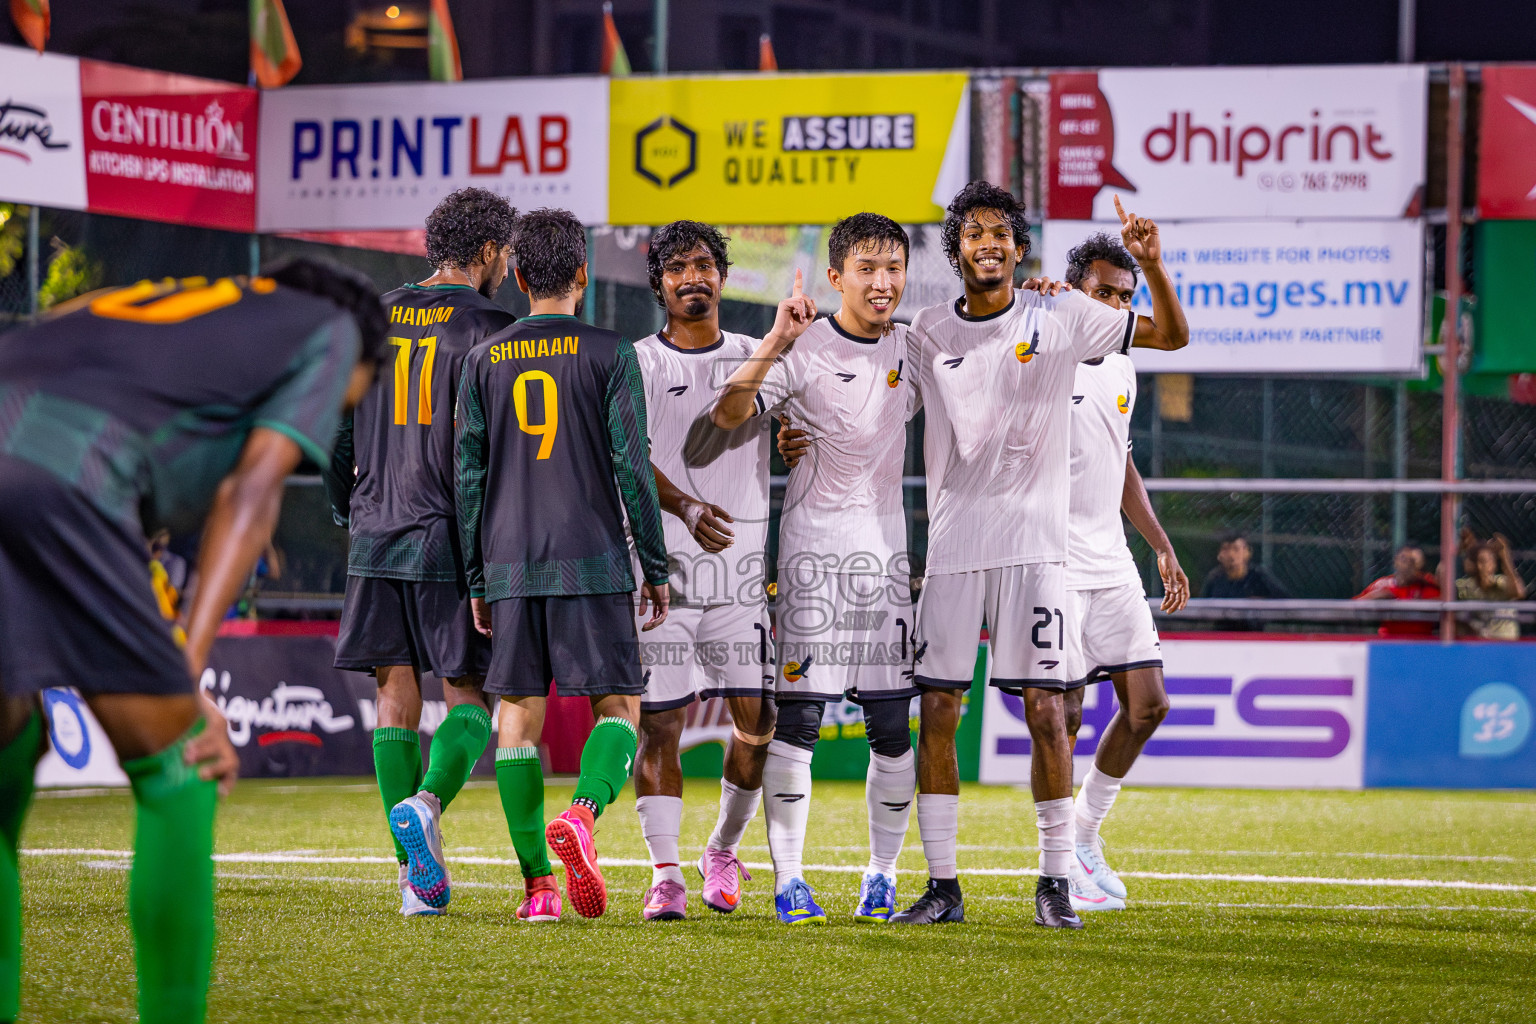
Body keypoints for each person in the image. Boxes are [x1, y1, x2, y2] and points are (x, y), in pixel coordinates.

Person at [0, 259, 384, 1024]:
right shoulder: (334, 326)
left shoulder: (151, 300)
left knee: (6, 759)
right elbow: (252, 488)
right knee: (182, 765)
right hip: (66, 473)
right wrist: (189, 666)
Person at [896, 183, 1187, 930]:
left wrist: (1153, 265)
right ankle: (942, 887)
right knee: (937, 709)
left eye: (1001, 232)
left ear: (1019, 248)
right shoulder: (926, 330)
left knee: (1048, 714)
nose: (987, 242)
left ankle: (1057, 882)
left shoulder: (1060, 315)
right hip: (956, 547)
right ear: (956, 249)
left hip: (1038, 551)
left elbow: (1169, 336)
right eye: (972, 232)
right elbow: (878, 403)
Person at [456, 208, 670, 922]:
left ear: (518, 277)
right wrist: (657, 565)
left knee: (515, 722)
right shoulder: (612, 353)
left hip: (511, 564)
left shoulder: (481, 360)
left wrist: (476, 577)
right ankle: (581, 813)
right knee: (619, 707)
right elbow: (631, 468)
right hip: (592, 559)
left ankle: (538, 891)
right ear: (581, 274)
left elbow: (470, 479)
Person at [710, 213, 918, 926]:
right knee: (800, 720)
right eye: (867, 267)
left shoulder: (915, 350)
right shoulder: (803, 347)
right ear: (836, 277)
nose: (882, 281)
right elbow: (730, 411)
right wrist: (775, 341)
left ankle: (882, 875)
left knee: (892, 726)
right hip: (810, 559)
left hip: (886, 561)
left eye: (893, 266)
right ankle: (790, 880)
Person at [324, 188, 518, 916]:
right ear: (492, 251)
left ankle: (413, 881)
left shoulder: (371, 313)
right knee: (471, 698)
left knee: (392, 695)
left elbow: (337, 431)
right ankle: (429, 806)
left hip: (375, 528)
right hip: (450, 535)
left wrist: (350, 505)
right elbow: (497, 453)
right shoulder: (495, 326)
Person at [630, 221, 778, 921]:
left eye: (704, 264)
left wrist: (796, 438)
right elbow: (624, 457)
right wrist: (686, 507)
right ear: (658, 282)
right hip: (658, 577)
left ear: (722, 275)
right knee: (660, 726)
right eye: (677, 267)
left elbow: (779, 427)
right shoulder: (638, 363)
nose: (693, 276)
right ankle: (665, 874)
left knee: (759, 720)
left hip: (738, 580)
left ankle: (721, 848)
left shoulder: (757, 354)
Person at [1055, 232, 1188, 913]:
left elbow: (1122, 459)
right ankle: (1057, 865)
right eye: (1101, 292)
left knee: (1150, 705)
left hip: (1110, 558)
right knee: (1067, 713)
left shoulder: (1123, 366)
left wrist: (1160, 542)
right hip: (1052, 559)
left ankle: (1085, 834)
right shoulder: (1043, 354)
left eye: (1123, 296)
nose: (1112, 304)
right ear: (1075, 290)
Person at [1354, 543, 1439, 638]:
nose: (1407, 566)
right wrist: (1374, 598)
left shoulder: (1428, 585)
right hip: (1389, 643)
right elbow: (1352, 605)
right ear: (1395, 562)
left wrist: (1422, 604)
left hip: (1420, 644)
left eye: (1412, 562)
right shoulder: (1384, 584)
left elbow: (1444, 605)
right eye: (1403, 559)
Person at [1456, 535, 1526, 640]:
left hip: (1506, 644)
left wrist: (1505, 556)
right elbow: (1442, 580)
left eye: (1486, 561)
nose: (1481, 566)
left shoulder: (1502, 582)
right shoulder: (1465, 586)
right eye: (1478, 561)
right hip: (1480, 645)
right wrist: (1458, 551)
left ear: (1493, 564)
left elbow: (1519, 593)